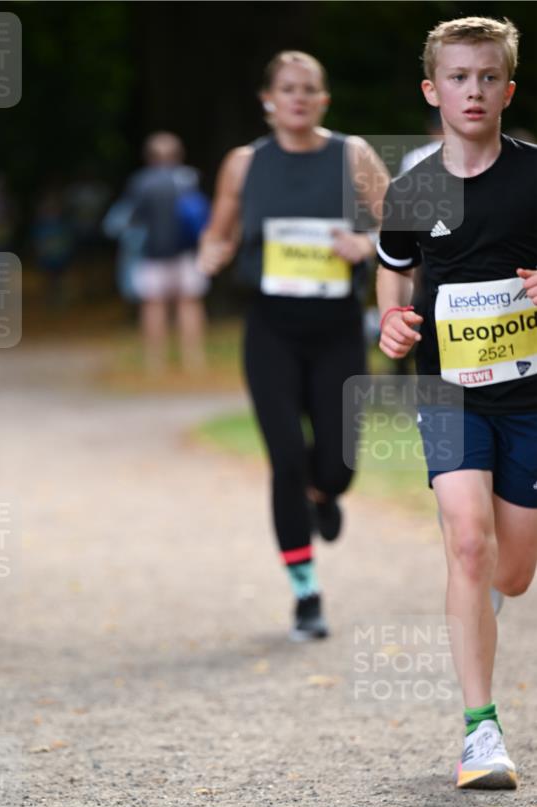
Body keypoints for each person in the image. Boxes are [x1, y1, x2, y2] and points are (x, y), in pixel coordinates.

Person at [377, 16, 537, 789]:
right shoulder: (413, 187)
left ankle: (487, 606)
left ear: (507, 88)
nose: (471, 90)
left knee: (511, 572)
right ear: (431, 89)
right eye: (457, 77)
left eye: (486, 78)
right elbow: (393, 267)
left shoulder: (535, 175)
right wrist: (392, 318)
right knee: (466, 543)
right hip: (447, 395)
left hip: (529, 397)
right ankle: (480, 734)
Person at [198, 51, 389, 640]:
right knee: (285, 459)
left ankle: (324, 491)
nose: (299, 98)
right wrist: (211, 253)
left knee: (337, 466)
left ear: (324, 100)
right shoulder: (244, 163)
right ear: (268, 100)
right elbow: (219, 232)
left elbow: (401, 228)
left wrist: (366, 244)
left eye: (310, 89)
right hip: (271, 330)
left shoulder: (352, 154)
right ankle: (306, 596)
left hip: (336, 329)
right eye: (288, 89)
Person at [124, 132, 209, 373]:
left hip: (152, 254)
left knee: (154, 305)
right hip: (187, 253)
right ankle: (194, 360)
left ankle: (155, 362)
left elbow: (133, 219)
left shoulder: (141, 182)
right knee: (189, 304)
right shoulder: (189, 178)